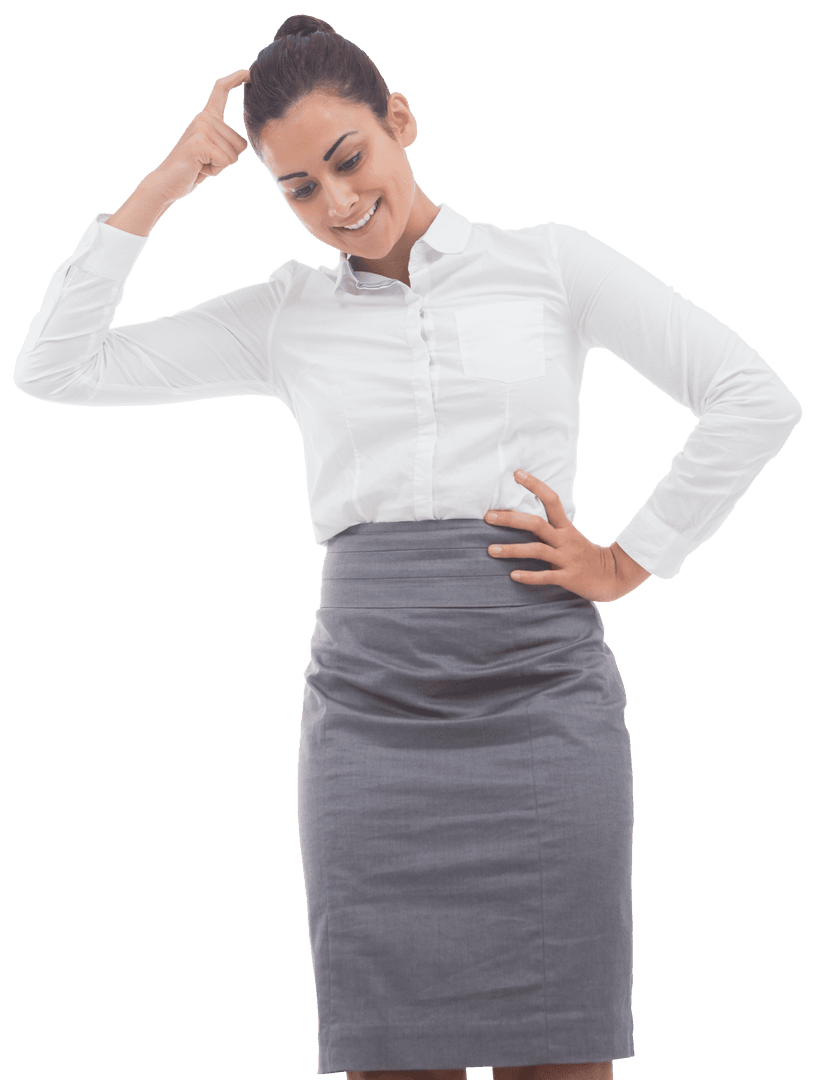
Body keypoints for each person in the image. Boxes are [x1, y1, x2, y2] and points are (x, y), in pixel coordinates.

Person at [12, 13, 803, 1080]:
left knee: (561, 1060)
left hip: (543, 698)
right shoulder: (283, 314)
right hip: (369, 712)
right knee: (391, 1061)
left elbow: (754, 398)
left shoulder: (551, 265)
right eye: (298, 188)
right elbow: (56, 368)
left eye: (349, 159)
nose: (336, 203)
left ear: (401, 122)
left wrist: (631, 557)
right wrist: (163, 185)